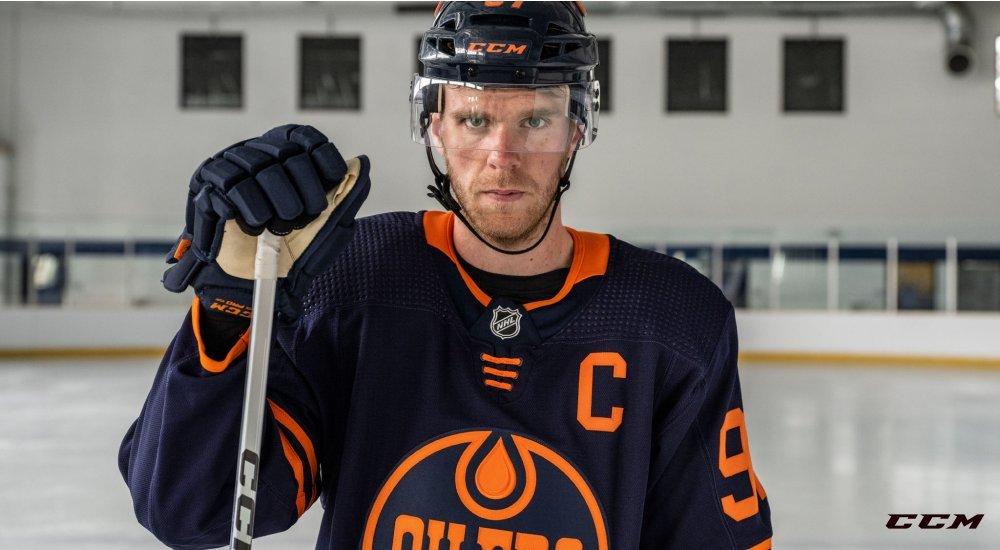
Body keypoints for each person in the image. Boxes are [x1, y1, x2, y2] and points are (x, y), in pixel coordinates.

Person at [119, 2, 773, 549]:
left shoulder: (674, 321)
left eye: (536, 121)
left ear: (579, 126)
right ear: (432, 124)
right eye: (474, 119)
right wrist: (232, 303)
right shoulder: (352, 280)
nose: (502, 157)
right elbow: (187, 507)